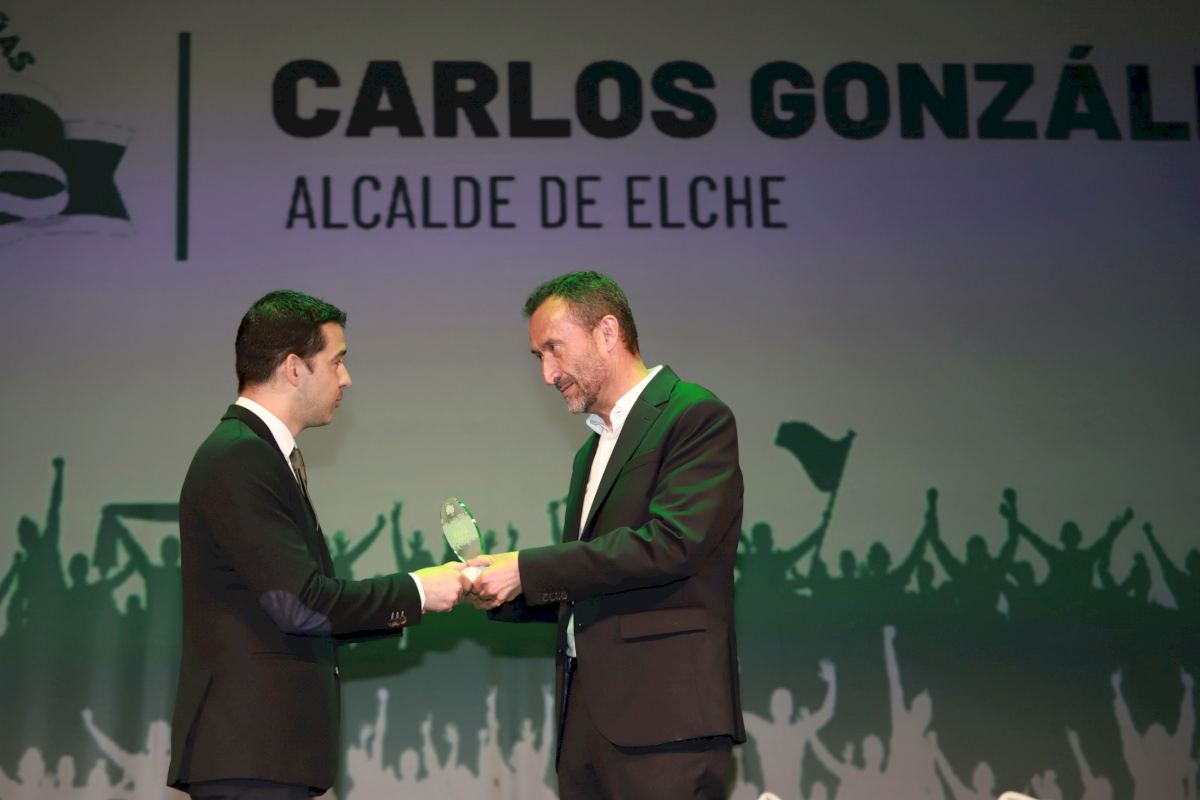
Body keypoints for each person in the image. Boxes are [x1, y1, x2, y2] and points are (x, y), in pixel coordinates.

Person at [167, 290, 468, 799]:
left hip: (264, 755)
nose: (346, 378)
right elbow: (300, 603)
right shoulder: (241, 457)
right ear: (293, 368)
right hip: (250, 754)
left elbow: (288, 606)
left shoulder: (257, 454)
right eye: (337, 360)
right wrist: (419, 590)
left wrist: (424, 593)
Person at [470, 271, 745, 798]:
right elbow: (597, 582)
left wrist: (525, 568)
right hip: (587, 725)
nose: (548, 373)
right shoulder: (590, 452)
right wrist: (507, 591)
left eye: (554, 349)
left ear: (607, 332)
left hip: (665, 721)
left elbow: (671, 545)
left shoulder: (693, 416)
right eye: (539, 358)